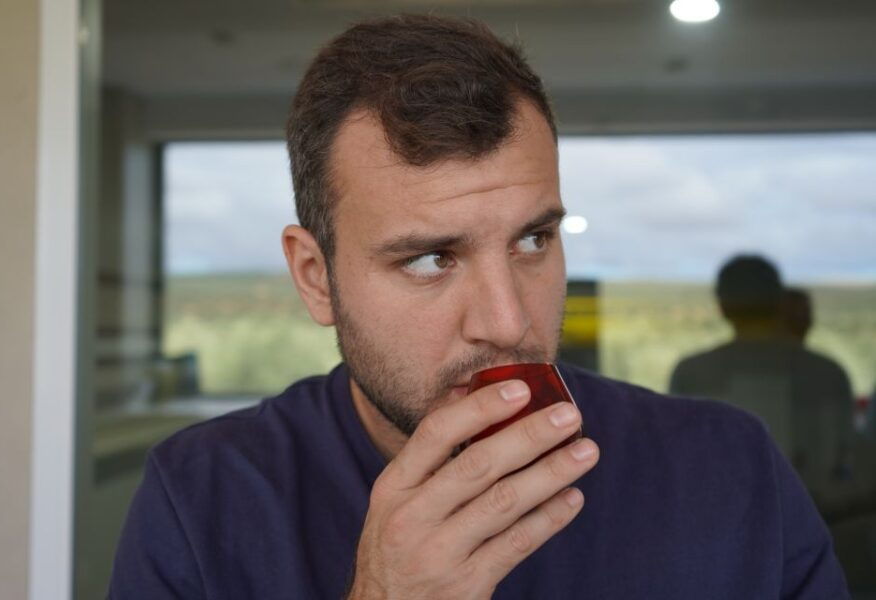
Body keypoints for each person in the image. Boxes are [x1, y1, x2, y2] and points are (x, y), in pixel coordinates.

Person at [109, 16, 849, 598]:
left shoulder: (729, 472)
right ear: (315, 277)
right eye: (430, 259)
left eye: (533, 240)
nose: (507, 323)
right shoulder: (204, 498)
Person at [669, 256, 855, 509]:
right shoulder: (827, 374)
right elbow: (845, 460)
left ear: (722, 306)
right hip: (820, 516)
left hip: (720, 516)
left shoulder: (692, 373)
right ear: (780, 302)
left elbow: (682, 463)